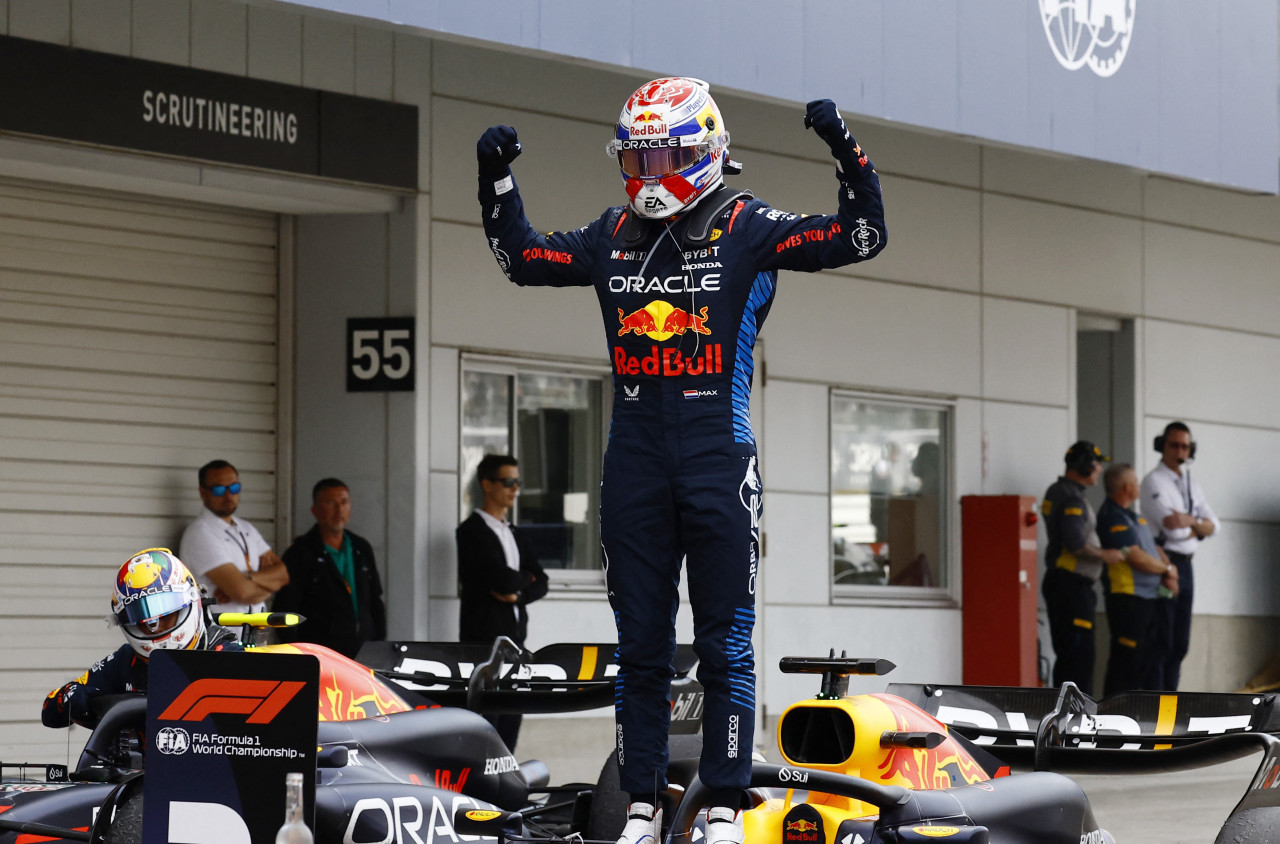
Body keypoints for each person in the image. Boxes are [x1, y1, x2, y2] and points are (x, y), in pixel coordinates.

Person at [476, 77, 887, 844]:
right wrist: (495, 181)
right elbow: (522, 258)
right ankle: (640, 803)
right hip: (631, 458)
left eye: (667, 152)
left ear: (704, 152)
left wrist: (846, 152)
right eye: (638, 154)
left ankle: (726, 805)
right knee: (640, 647)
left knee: (726, 637)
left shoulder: (746, 223)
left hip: (716, 455)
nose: (650, 168)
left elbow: (861, 237)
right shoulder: (608, 233)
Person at [42, 548, 241, 728]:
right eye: (143, 620)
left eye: (165, 615)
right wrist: (71, 697)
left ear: (190, 602)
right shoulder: (126, 661)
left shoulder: (228, 658)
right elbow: (49, 713)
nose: (155, 628)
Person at [456, 454, 549, 750]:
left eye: (518, 482)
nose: (515, 489)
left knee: (511, 721)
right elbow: (501, 579)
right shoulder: (471, 531)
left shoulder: (515, 533)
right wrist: (522, 581)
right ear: (487, 484)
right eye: (508, 482)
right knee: (486, 725)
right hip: (484, 643)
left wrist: (519, 593)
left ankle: (506, 790)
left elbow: (541, 580)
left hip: (516, 643)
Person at [1140, 421, 1219, 690]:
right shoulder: (1154, 480)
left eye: (1185, 446)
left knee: (1180, 643)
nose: (1180, 452)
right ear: (1163, 446)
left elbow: (1214, 525)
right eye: (1174, 445)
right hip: (1165, 562)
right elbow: (1171, 527)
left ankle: (1171, 705)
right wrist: (1198, 526)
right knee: (1162, 641)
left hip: (1187, 565)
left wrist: (1192, 523)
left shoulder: (1190, 483)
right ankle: (1156, 706)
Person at [1041, 441, 1124, 696]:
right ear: (1086, 466)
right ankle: (1071, 722)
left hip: (1067, 586)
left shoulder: (1061, 491)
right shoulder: (1070, 497)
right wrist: (1104, 554)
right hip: (1071, 587)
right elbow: (1076, 542)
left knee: (1073, 656)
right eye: (1097, 464)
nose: (1099, 470)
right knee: (1078, 659)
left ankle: (1066, 719)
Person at [273, 478, 387, 659]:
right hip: (321, 657)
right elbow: (284, 609)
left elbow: (375, 601)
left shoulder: (360, 547)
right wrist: (299, 656)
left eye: (344, 502)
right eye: (330, 503)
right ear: (315, 510)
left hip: (364, 654)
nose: (339, 510)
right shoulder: (300, 553)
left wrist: (379, 645)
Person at [1096, 463, 1179, 696]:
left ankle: (1142, 717)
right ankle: (1115, 718)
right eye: (1136, 482)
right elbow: (1136, 558)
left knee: (1148, 659)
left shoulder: (1134, 515)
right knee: (1127, 662)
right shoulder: (1112, 516)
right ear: (1126, 487)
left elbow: (1154, 548)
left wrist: (1168, 569)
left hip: (1149, 598)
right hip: (1128, 598)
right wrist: (1166, 570)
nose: (1139, 487)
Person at [179, 459, 288, 617]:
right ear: (203, 492)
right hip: (223, 635)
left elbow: (283, 574)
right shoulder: (200, 533)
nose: (229, 495)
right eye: (219, 490)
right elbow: (243, 593)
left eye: (234, 488)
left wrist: (247, 577)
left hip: (255, 631)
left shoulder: (246, 528)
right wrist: (270, 585)